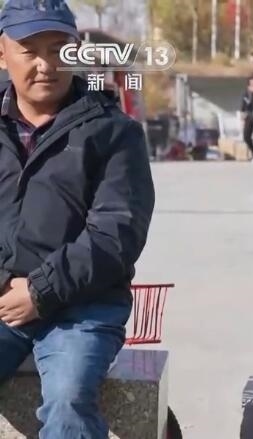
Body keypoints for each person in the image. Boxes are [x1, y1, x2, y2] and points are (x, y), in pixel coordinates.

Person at [0, 0, 156, 437]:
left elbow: (116, 234)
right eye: (30, 51)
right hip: (3, 297)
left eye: (59, 49)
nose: (46, 64)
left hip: (84, 306)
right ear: (2, 53)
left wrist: (40, 290)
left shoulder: (114, 131)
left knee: (69, 399)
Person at [240, 75, 253, 158]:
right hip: (249, 115)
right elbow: (243, 105)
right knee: (246, 136)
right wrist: (242, 116)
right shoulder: (246, 92)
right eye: (252, 80)